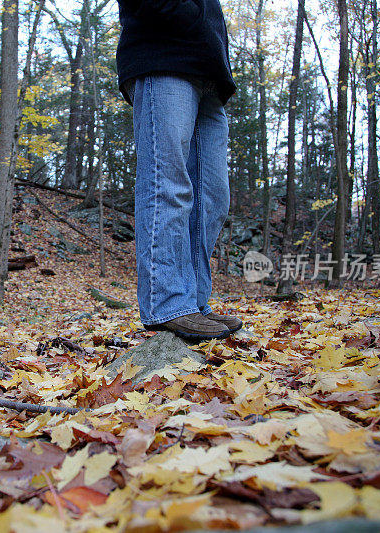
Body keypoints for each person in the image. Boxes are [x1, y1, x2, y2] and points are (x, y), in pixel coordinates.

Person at [116, 0, 242, 342]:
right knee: (166, 186)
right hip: (163, 56)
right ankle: (167, 304)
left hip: (210, 74)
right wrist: (184, 11)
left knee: (212, 198)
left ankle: (195, 303)